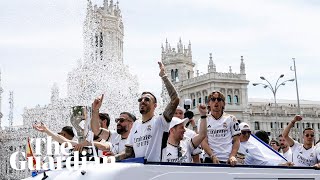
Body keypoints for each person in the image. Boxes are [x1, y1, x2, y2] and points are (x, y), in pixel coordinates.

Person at [95, 62, 179, 162]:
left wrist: (163, 76)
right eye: (140, 100)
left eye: (147, 99)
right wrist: (110, 159)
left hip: (157, 171)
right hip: (139, 172)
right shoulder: (136, 125)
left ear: (155, 106)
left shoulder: (160, 121)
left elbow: (175, 99)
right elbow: (128, 153)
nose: (142, 101)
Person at [201, 90, 240, 166]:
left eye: (219, 99)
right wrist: (212, 156)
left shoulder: (231, 119)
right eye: (213, 99)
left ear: (223, 103)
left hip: (227, 160)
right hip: (210, 159)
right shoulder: (203, 120)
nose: (216, 102)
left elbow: (236, 140)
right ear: (209, 103)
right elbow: (203, 141)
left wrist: (232, 156)